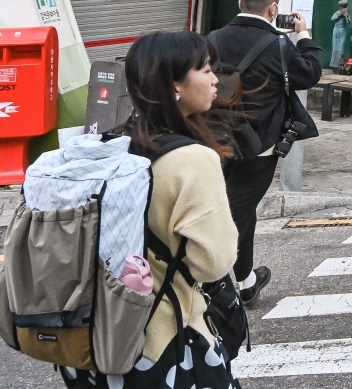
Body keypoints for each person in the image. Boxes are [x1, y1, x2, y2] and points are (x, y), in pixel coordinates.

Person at [60, 31, 242, 389]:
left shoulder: (112, 145)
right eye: (205, 69)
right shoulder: (193, 160)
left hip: (95, 338)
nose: (214, 79)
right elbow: (213, 263)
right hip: (163, 341)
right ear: (174, 84)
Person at [207, 0, 323, 305]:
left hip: (213, 140)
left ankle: (242, 282)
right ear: (273, 9)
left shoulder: (213, 38)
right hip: (259, 145)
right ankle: (223, 286)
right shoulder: (279, 44)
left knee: (237, 210)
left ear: (240, 3)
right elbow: (309, 74)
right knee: (237, 214)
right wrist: (303, 36)